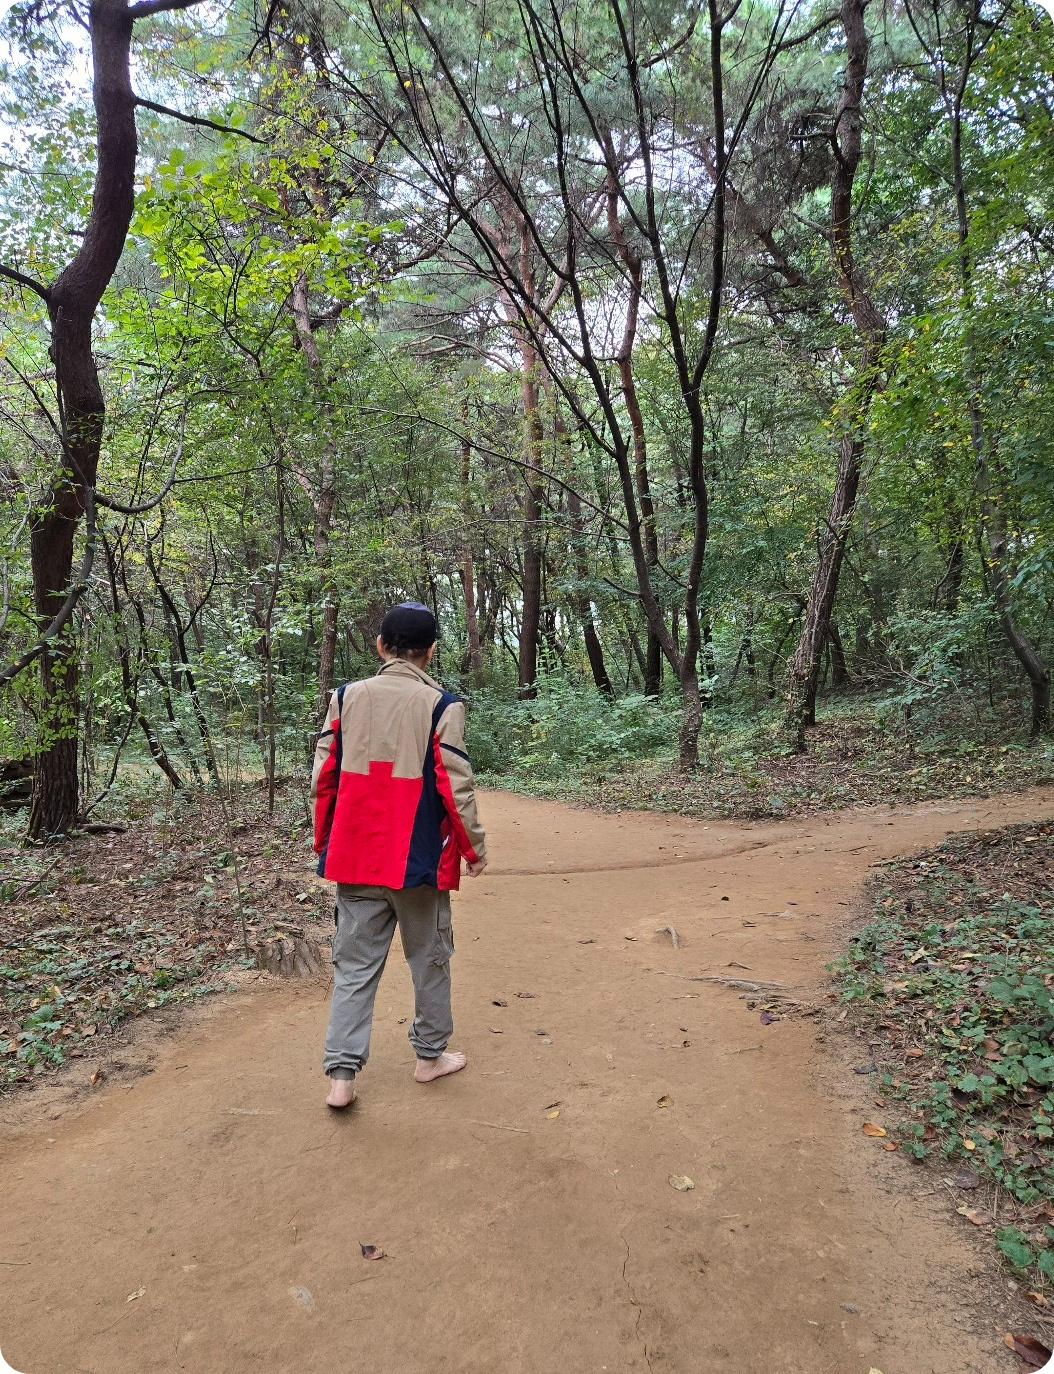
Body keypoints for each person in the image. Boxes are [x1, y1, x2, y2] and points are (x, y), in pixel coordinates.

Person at [310, 602, 488, 1110]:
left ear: (381, 646)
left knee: (354, 967)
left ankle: (341, 1078)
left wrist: (325, 841)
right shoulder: (442, 705)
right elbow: (455, 785)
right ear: (431, 652)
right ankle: (429, 1057)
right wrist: (473, 847)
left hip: (356, 854)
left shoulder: (344, 698)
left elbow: (325, 778)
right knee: (429, 958)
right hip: (418, 859)